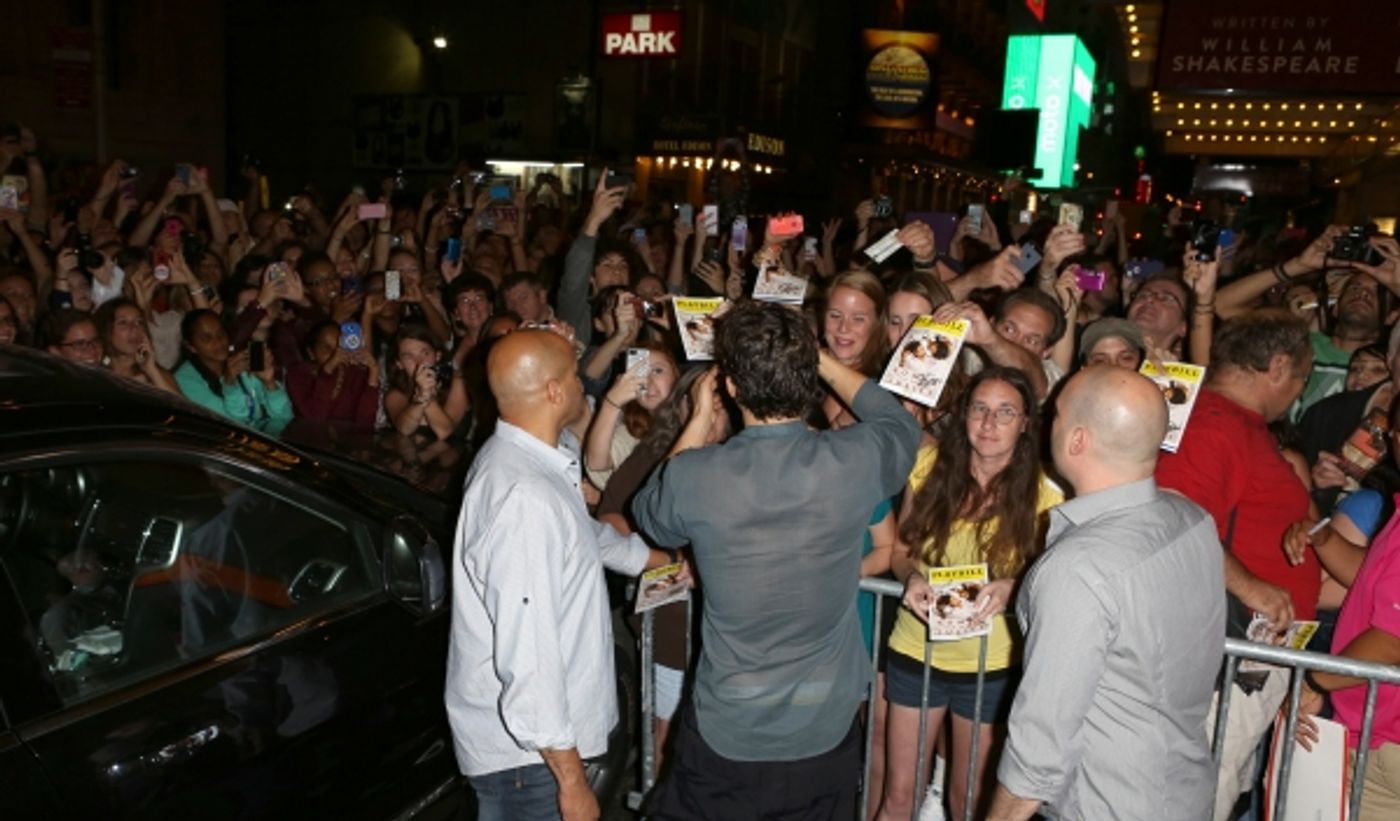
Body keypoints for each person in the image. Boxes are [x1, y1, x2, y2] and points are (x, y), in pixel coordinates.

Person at [632, 300, 921, 820]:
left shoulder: (695, 475)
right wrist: (822, 359)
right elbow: (897, 420)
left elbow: (653, 518)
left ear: (733, 389)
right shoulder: (852, 459)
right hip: (824, 724)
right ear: (808, 378)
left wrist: (698, 419)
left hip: (729, 725)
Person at [445, 328, 678, 821]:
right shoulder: (523, 496)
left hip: (537, 758)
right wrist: (571, 782)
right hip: (530, 765)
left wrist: (659, 561)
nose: (582, 383)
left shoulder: (530, 461)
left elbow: (585, 537)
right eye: (574, 375)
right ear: (553, 391)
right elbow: (527, 654)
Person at [985, 366, 1225, 821]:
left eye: (1054, 415)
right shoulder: (1192, 518)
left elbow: (1037, 755)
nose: (1046, 425)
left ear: (1077, 440)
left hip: (1108, 805)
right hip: (1184, 791)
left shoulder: (1079, 569)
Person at [881, 367, 1062, 821]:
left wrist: (1016, 585)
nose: (989, 423)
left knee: (967, 803)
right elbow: (901, 550)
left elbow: (1056, 578)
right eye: (980, 409)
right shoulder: (927, 468)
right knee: (899, 797)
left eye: (1005, 412)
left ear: (1025, 423)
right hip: (915, 649)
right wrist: (912, 579)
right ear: (963, 416)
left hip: (991, 665)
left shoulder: (1045, 494)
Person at [1154, 309, 1315, 821]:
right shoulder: (1215, 422)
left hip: (1248, 656)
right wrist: (1252, 588)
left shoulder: (1236, 425)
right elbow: (1175, 512)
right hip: (1229, 652)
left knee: (1217, 791)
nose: (1297, 394)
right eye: (1301, 380)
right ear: (1278, 366)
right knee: (1197, 794)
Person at [173, 308, 294, 433]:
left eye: (221, 334)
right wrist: (230, 383)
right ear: (191, 346)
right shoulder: (184, 379)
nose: (218, 341)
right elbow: (232, 423)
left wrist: (269, 382)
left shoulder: (240, 360)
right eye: (207, 338)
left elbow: (285, 416)